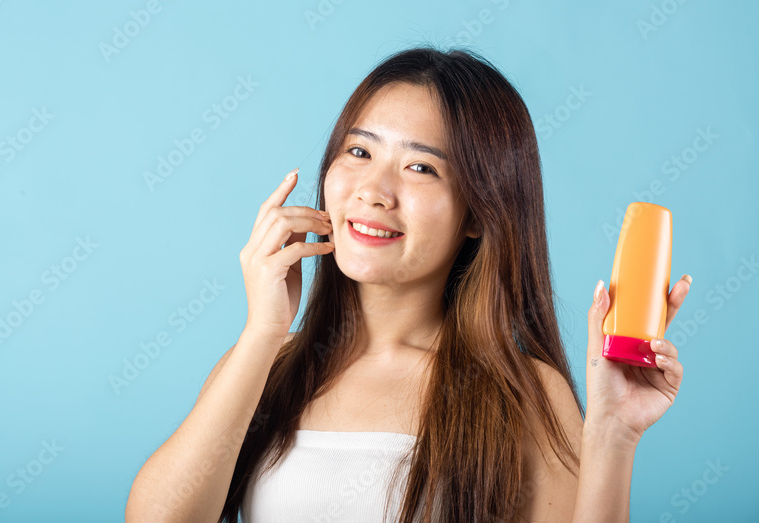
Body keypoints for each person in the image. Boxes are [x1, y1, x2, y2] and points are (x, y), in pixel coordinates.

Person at [126, 46, 691, 522]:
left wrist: (613, 435)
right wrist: (263, 333)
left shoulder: (525, 394)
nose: (373, 189)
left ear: (477, 212)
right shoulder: (265, 366)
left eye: (421, 167)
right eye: (358, 151)